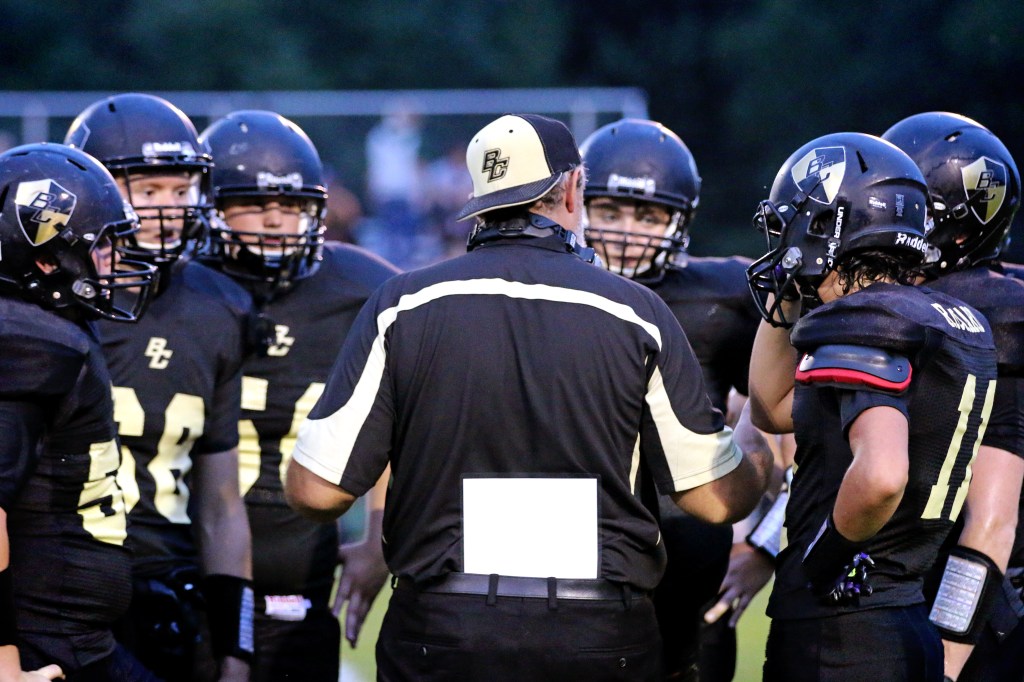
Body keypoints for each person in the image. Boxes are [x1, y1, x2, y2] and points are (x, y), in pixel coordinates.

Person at [284, 113, 773, 681]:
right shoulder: (636, 312)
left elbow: (315, 489)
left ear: (476, 196)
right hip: (597, 634)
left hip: (441, 631)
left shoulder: (401, 306)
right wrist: (755, 439)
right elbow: (715, 500)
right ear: (572, 189)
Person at [746, 131, 999, 681]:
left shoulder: (863, 323)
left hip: (843, 631)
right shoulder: (951, 319)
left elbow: (882, 474)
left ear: (826, 226)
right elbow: (772, 406)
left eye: (791, 224)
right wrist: (791, 282)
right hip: (908, 615)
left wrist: (824, 554)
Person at [197, 110, 399, 682]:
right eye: (255, 204)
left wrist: (378, 538)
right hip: (184, 562)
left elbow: (396, 415)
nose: (275, 221)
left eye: (292, 206)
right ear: (211, 206)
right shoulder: (178, 289)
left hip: (303, 568)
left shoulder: (361, 288)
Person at [64, 93, 256, 682]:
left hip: (167, 587)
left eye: (180, 191)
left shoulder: (219, 306)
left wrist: (237, 648)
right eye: (147, 191)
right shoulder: (49, 300)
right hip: (60, 584)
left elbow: (221, 502)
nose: (167, 210)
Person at [579, 118, 771, 681]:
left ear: (681, 221)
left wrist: (764, 542)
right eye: (610, 212)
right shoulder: (546, 288)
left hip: (688, 557)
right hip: (572, 558)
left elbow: (785, 420)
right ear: (578, 207)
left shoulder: (728, 295)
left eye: (647, 215)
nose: (625, 232)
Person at [0, 143, 158, 680]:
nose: (116, 260)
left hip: (75, 635)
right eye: (104, 245)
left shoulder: (49, 327)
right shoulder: (31, 343)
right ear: (45, 259)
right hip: (47, 642)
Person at [883, 111, 1024, 682]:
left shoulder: (996, 321)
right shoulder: (892, 312)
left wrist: (943, 660)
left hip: (982, 616)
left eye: (906, 212)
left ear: (961, 231)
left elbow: (990, 524)